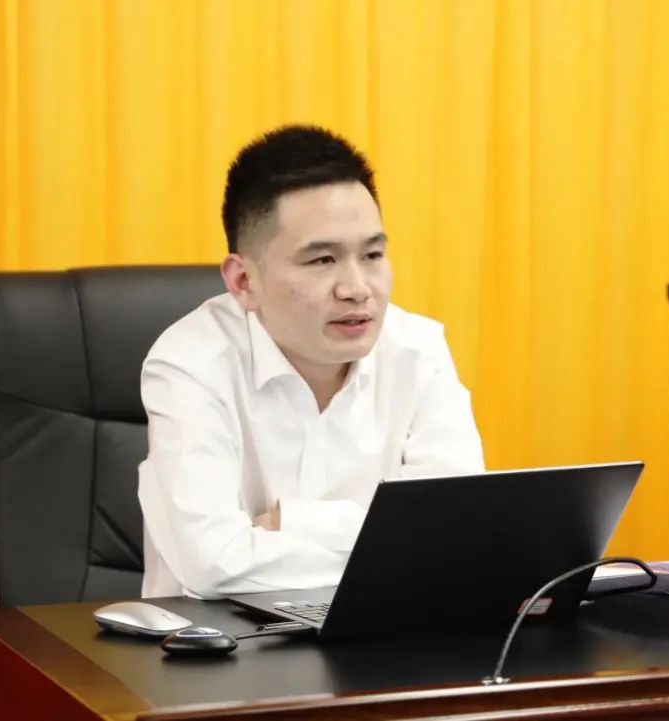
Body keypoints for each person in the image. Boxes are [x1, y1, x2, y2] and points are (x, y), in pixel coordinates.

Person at [138, 125, 484, 599]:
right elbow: (212, 565)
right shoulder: (190, 363)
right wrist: (393, 544)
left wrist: (289, 523)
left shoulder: (418, 350)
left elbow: (460, 535)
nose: (357, 288)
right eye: (322, 260)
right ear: (243, 282)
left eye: (373, 254)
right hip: (221, 638)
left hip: (383, 634)